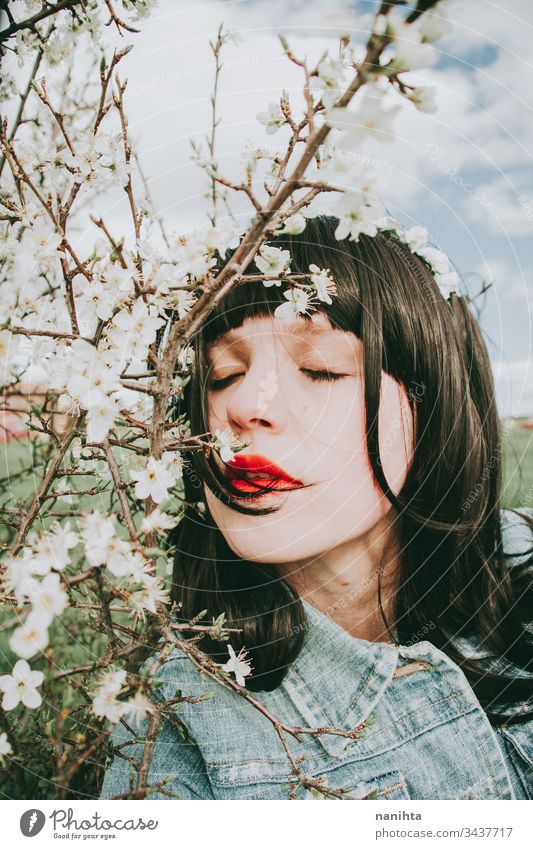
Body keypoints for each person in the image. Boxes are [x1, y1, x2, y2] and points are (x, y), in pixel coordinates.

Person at [99, 215, 533, 800]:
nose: (247, 404)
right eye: (223, 373)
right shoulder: (178, 725)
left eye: (320, 368)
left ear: (437, 401)